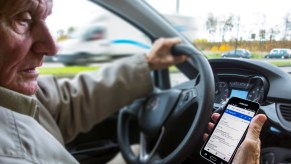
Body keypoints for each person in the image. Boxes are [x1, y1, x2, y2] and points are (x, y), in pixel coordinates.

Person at [0, 0, 266, 163]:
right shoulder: (13, 155)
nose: (52, 47)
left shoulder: (13, 98)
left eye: (46, 19)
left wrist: (147, 63)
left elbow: (66, 101)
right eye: (22, 19)